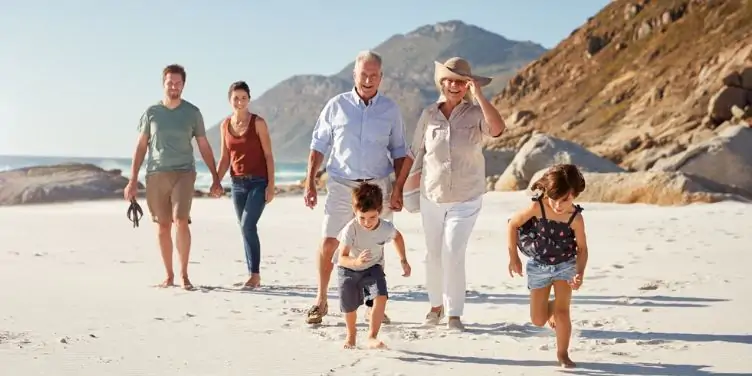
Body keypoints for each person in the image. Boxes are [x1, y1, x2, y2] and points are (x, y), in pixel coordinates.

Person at [396, 57, 506, 331]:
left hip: (466, 196)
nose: (454, 85)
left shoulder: (476, 113)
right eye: (449, 80)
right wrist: (397, 188)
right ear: (441, 82)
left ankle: (454, 313)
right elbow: (413, 153)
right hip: (431, 195)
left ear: (467, 84)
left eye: (460, 81)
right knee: (432, 255)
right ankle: (435, 307)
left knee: (453, 251)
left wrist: (479, 95)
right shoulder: (429, 114)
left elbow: (497, 129)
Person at [303, 50, 409, 325]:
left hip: (378, 184)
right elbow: (318, 146)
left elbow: (399, 151)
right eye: (364, 74)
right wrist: (309, 182)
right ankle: (321, 299)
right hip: (341, 184)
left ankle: (375, 305)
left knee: (376, 245)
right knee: (329, 242)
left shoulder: (390, 110)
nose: (369, 79)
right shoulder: (336, 106)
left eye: (374, 75)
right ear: (355, 75)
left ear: (381, 77)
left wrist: (397, 191)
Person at [124, 64, 222, 290]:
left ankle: (185, 275)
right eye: (170, 83)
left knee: (181, 220)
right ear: (163, 84)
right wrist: (132, 180)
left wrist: (216, 177)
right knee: (163, 226)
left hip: (184, 173)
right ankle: (169, 276)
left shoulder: (192, 113)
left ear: (183, 85)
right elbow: (140, 147)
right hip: (156, 174)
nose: (174, 87)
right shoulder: (151, 113)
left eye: (178, 83)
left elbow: (204, 145)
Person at [507, 164, 589, 368]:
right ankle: (550, 311)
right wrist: (514, 258)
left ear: (574, 195)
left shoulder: (575, 218)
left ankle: (563, 354)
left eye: (566, 200)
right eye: (555, 199)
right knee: (537, 319)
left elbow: (583, 249)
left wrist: (579, 272)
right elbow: (513, 224)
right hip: (538, 267)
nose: (559, 205)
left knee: (563, 313)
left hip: (565, 266)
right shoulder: (539, 207)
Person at [334, 183, 411, 349]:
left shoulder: (385, 227)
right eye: (362, 217)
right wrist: (356, 262)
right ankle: (351, 334)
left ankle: (372, 336)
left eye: (372, 218)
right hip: (348, 269)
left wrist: (403, 260)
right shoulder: (350, 229)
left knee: (381, 296)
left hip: (373, 267)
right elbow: (342, 258)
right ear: (355, 212)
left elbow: (397, 237)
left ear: (379, 212)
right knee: (349, 306)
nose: (367, 223)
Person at [215, 81, 275, 288]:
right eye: (235, 98)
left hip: (259, 182)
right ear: (229, 100)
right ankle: (253, 273)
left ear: (249, 99)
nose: (239, 101)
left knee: (248, 225)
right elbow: (225, 158)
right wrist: (216, 180)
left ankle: (255, 275)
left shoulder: (258, 123)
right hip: (237, 184)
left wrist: (271, 185)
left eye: (243, 97)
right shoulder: (225, 125)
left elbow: (268, 155)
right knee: (245, 228)